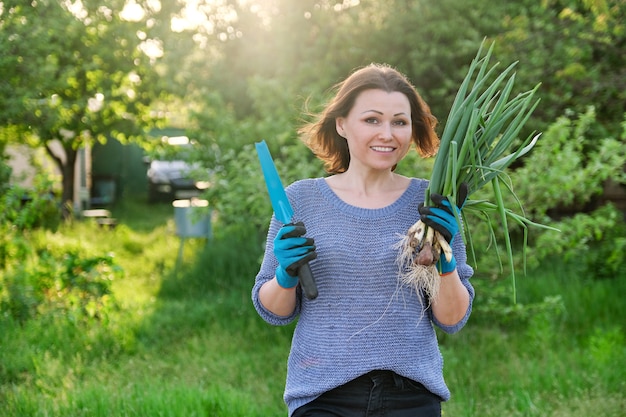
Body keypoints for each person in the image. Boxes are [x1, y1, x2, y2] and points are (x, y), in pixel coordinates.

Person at [252, 63, 474, 417]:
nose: (387, 133)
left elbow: (452, 319)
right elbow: (273, 311)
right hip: (322, 396)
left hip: (411, 398)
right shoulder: (300, 200)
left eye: (400, 122)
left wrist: (445, 262)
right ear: (342, 123)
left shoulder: (432, 205)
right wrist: (285, 274)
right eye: (372, 119)